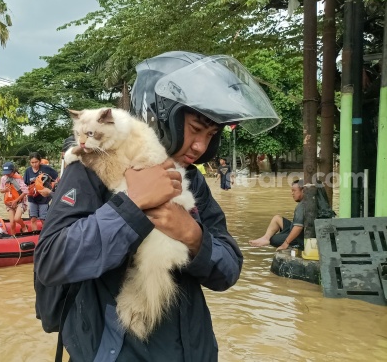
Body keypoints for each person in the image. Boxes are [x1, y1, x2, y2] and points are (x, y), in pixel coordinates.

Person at [34, 51, 280, 361]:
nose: (201, 146)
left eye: (211, 134)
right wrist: (131, 206)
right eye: (195, 129)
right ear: (158, 116)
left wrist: (192, 235)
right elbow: (51, 260)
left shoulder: (192, 181)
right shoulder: (90, 167)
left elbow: (228, 271)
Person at [249, 179, 305, 250]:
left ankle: (271, 239)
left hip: (300, 237)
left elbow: (298, 227)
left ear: (303, 191)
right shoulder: (304, 202)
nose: (292, 193)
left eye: (294, 190)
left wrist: (286, 243)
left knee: (273, 240)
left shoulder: (302, 206)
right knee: (276, 218)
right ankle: (265, 238)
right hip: (295, 229)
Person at [24, 152, 58, 231]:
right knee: (33, 218)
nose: (34, 164)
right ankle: (34, 234)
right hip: (32, 198)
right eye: (32, 162)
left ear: (40, 161)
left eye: (36, 162)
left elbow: (56, 177)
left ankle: (46, 234)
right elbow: (25, 184)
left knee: (43, 219)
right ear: (30, 162)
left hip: (44, 198)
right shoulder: (28, 171)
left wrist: (51, 186)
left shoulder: (46, 168)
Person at [0, 162, 28, 236]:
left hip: (19, 201)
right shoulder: (3, 178)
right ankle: (13, 238)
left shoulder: (18, 178)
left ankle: (23, 226)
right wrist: (5, 190)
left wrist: (16, 201)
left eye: (9, 173)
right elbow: (1, 190)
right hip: (9, 202)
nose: (7, 175)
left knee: (17, 218)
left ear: (13, 171)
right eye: (5, 173)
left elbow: (25, 191)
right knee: (12, 223)